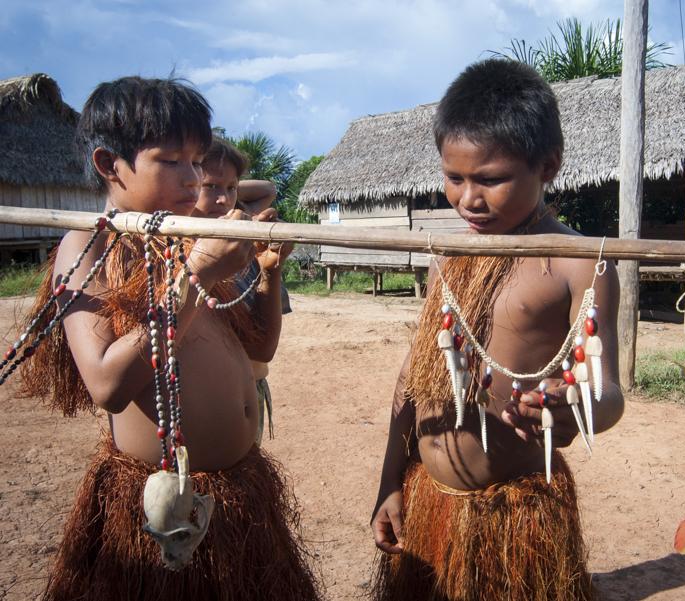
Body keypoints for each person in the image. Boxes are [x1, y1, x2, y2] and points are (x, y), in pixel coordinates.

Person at [19, 77, 320, 600]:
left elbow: (260, 351)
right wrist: (196, 277)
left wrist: (269, 274)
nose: (194, 179)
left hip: (239, 499)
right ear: (110, 164)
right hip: (160, 505)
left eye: (198, 161)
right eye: (171, 161)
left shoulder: (189, 240)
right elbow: (107, 384)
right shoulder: (89, 249)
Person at [369, 59, 625, 601]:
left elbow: (607, 393)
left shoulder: (581, 262)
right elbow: (415, 376)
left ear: (548, 166)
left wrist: (572, 405)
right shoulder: (451, 253)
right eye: (454, 178)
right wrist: (391, 481)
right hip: (430, 501)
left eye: (490, 180)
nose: (467, 199)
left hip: (515, 515)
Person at [194, 136, 293, 443]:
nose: (224, 200)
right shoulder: (177, 257)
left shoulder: (245, 246)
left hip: (253, 388)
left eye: (232, 188)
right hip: (205, 408)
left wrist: (271, 269)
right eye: (209, 186)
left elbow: (264, 349)